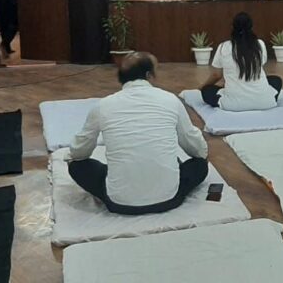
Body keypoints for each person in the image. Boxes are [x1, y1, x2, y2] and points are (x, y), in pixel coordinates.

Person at [68, 52, 209, 215]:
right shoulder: (171, 100)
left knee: (77, 166)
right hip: (169, 199)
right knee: (200, 165)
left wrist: (73, 157)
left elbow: (80, 151)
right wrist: (202, 155)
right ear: (149, 75)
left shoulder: (102, 106)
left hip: (119, 203)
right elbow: (193, 144)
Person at [199, 12, 283, 111]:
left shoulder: (223, 46)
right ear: (251, 27)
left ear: (233, 27)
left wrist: (202, 87)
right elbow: (259, 66)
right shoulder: (260, 44)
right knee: (276, 80)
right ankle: (260, 98)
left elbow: (216, 75)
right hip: (265, 103)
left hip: (233, 105)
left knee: (207, 91)